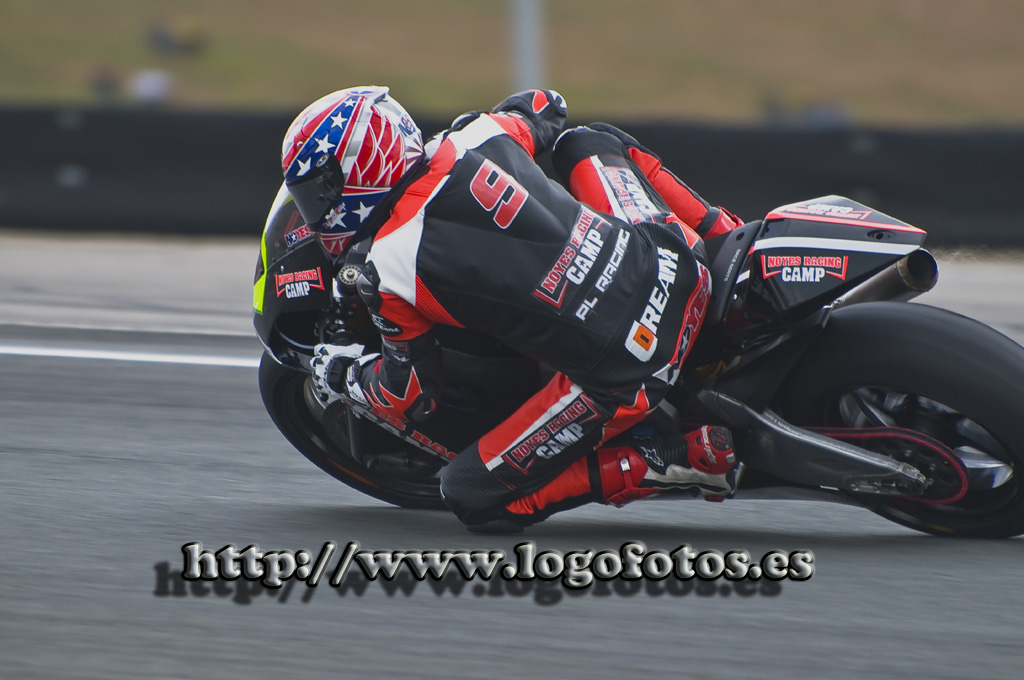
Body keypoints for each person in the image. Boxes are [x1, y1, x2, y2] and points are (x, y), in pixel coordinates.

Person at [282, 86, 745, 532]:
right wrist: (498, 117)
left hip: (631, 365)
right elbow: (547, 105)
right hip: (676, 260)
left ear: (358, 173)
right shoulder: (478, 135)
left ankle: (680, 460)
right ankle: (731, 240)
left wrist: (341, 374)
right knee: (589, 141)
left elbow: (411, 397)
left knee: (470, 494)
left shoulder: (386, 269)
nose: (316, 211)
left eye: (319, 195)